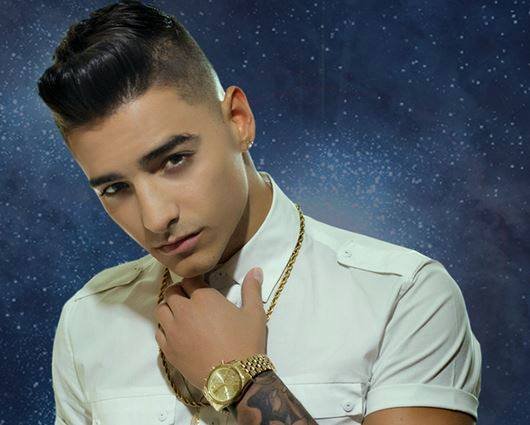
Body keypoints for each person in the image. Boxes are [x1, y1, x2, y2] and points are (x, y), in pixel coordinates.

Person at [37, 1, 482, 424]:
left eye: (174, 160)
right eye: (115, 188)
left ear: (238, 120)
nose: (155, 219)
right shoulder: (89, 320)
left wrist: (242, 378)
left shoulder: (403, 298)